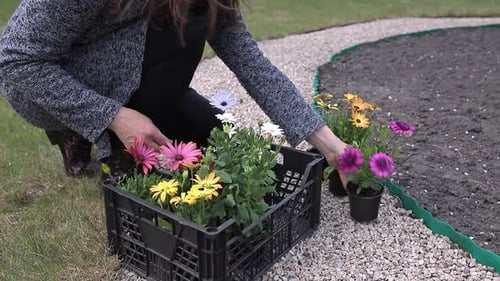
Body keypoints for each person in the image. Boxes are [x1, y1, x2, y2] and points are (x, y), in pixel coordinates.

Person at [0, 0, 347, 183]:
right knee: (191, 24)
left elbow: (251, 63)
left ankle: (83, 134)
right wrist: (113, 117)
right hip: (40, 87)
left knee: (218, 137)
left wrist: (331, 146)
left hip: (117, 60)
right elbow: (15, 60)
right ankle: (101, 140)